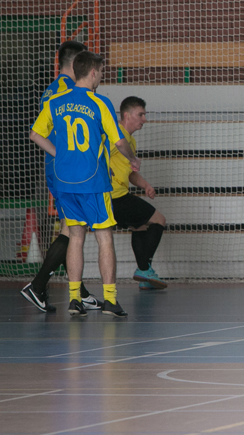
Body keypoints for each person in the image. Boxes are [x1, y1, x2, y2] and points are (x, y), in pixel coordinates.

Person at [28, 51, 141, 317]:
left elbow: (35, 134)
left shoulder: (55, 101)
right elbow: (119, 141)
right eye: (100, 72)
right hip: (93, 182)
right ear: (92, 72)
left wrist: (60, 154)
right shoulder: (99, 102)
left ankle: (74, 300)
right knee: (104, 238)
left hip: (64, 181)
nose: (100, 76)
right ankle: (110, 300)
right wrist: (132, 159)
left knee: (75, 237)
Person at [20, 40, 101, 313]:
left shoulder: (51, 89)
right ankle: (37, 285)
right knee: (72, 230)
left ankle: (80, 292)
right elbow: (39, 133)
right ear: (77, 62)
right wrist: (64, 155)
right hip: (66, 169)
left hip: (57, 167)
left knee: (73, 228)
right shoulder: (68, 90)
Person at [108, 96, 168, 289]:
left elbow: (130, 173)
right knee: (159, 220)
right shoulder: (115, 136)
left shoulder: (130, 141)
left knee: (140, 226)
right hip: (113, 196)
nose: (144, 119)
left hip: (118, 195)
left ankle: (145, 274)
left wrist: (145, 186)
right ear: (127, 115)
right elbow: (98, 157)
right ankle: (144, 270)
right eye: (140, 115)